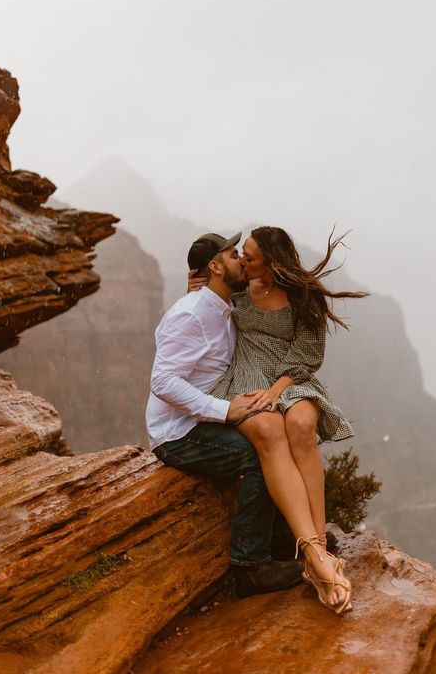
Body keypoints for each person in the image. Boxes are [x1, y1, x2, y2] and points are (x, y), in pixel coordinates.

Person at [189, 226, 367, 615]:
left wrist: (279, 389)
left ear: (271, 261)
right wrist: (195, 288)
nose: (242, 260)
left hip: (292, 375)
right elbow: (205, 310)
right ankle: (315, 556)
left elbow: (307, 355)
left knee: (301, 426)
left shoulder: (305, 296)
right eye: (241, 255)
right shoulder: (238, 290)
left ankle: (316, 541)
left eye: (249, 256)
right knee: (272, 432)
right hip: (247, 373)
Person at [145, 232, 303, 599]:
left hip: (202, 417)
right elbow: (163, 381)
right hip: (178, 431)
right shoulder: (194, 314)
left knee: (280, 439)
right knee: (256, 457)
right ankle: (250, 567)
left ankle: (286, 541)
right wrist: (225, 410)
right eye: (234, 255)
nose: (242, 261)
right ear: (216, 267)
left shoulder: (221, 303)